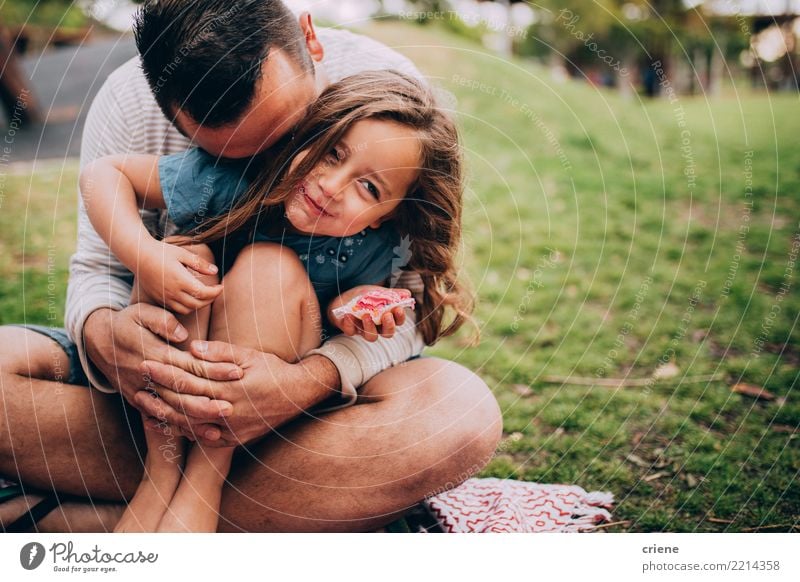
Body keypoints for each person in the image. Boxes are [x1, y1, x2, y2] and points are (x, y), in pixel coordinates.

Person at [0, 0, 501, 532]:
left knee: (458, 417)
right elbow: (99, 262)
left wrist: (310, 378)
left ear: (310, 40)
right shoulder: (131, 109)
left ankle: (96, 519)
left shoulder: (390, 103)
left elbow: (407, 297)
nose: (288, 170)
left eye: (292, 133)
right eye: (226, 153)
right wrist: (107, 332)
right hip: (159, 398)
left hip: (296, 415)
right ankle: (214, 510)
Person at [81, 70, 474, 531]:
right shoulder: (235, 179)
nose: (332, 185)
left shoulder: (375, 246)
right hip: (178, 373)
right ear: (313, 132)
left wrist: (360, 308)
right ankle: (161, 470)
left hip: (264, 397)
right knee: (183, 254)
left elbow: (341, 305)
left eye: (368, 188)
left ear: (386, 216)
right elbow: (103, 173)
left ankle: (206, 476)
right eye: (333, 153)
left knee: (269, 265)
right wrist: (143, 254)